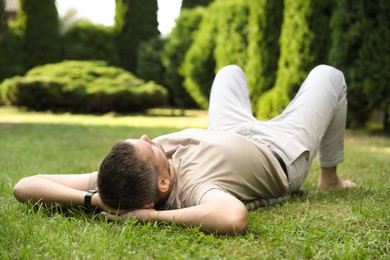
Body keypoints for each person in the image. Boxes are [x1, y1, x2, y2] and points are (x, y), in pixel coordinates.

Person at [13, 64, 356, 235]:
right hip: (280, 149)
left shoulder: (118, 180)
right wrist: (152, 218)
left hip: (228, 130)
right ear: (163, 185)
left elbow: (25, 186)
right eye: (149, 148)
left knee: (229, 72)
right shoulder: (192, 189)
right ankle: (330, 178)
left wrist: (94, 199)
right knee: (329, 75)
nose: (149, 138)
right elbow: (233, 217)